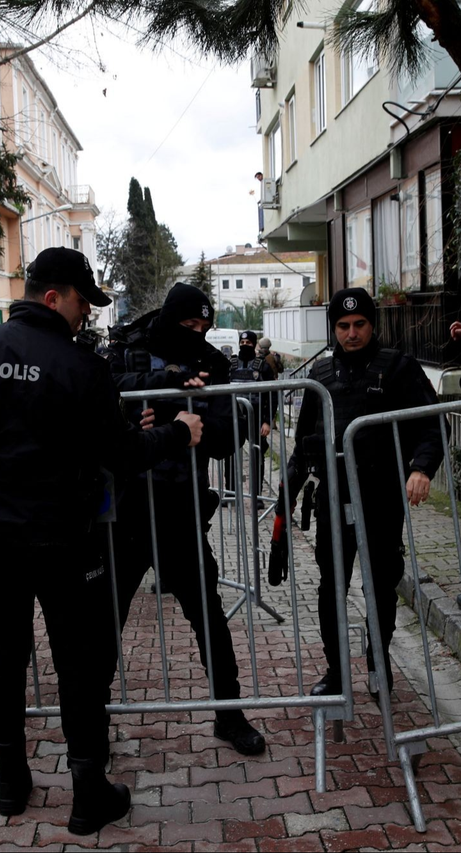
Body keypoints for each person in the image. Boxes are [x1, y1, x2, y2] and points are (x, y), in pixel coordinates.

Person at [0, 248, 202, 834]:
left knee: (2, 657)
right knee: (77, 665)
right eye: (82, 302)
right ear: (53, 297)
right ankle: (87, 795)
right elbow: (124, 455)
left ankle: (10, 782)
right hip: (64, 541)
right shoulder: (80, 367)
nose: (86, 316)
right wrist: (179, 433)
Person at [107, 282, 266, 756]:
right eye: (187, 325)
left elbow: (227, 433)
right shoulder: (128, 353)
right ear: (167, 319)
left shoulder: (212, 364)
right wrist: (141, 418)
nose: (195, 334)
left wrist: (184, 425)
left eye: (203, 326)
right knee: (103, 620)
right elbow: (100, 407)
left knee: (208, 615)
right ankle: (90, 718)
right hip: (129, 508)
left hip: (181, 508)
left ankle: (230, 715)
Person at [271, 287, 445, 699]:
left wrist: (422, 468)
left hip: (381, 500)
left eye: (360, 324)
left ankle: (377, 663)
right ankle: (336, 671)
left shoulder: (398, 368)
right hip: (333, 501)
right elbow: (303, 446)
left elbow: (433, 424)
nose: (352, 333)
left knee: (380, 586)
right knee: (332, 587)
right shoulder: (321, 379)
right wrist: (286, 498)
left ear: (372, 325)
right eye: (344, 326)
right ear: (334, 329)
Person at [228, 330, 276, 509]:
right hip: (234, 416)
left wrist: (267, 421)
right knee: (230, 453)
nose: (244, 345)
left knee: (257, 455)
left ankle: (256, 496)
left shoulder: (262, 366)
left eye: (248, 342)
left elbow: (270, 394)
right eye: (242, 342)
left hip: (256, 417)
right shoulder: (231, 364)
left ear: (254, 344)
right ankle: (230, 493)